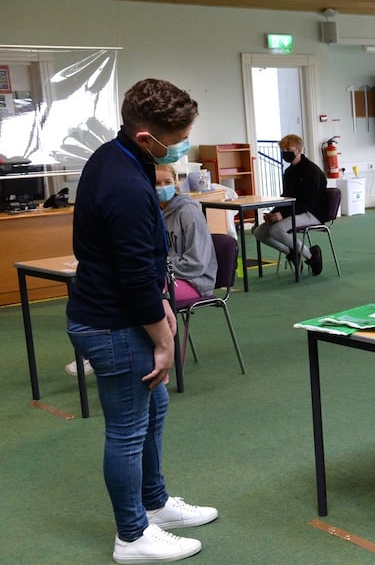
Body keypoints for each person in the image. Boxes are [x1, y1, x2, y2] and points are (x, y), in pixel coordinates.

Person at [65, 78, 217, 564]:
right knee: (128, 428)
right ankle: (132, 536)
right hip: (111, 322)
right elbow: (131, 277)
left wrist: (164, 304)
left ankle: (154, 504)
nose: (182, 149)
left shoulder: (115, 156)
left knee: (154, 411)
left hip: (119, 309)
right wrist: (165, 341)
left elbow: (136, 262)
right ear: (148, 136)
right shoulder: (128, 183)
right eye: (179, 139)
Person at [254, 134, 326, 275]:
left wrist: (283, 215)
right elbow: (286, 197)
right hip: (296, 211)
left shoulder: (312, 171)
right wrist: (274, 213)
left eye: (288, 149)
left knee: (276, 230)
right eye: (283, 149)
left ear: (298, 150)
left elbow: (308, 203)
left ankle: (311, 255)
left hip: (312, 213)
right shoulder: (289, 172)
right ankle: (291, 252)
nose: (284, 152)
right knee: (259, 232)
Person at [155, 164, 218, 301]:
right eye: (157, 184)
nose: (162, 187)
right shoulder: (154, 213)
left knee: (147, 295)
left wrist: (160, 265)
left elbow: (196, 263)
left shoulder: (188, 212)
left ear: (175, 183)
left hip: (196, 281)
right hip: (167, 275)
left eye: (167, 182)